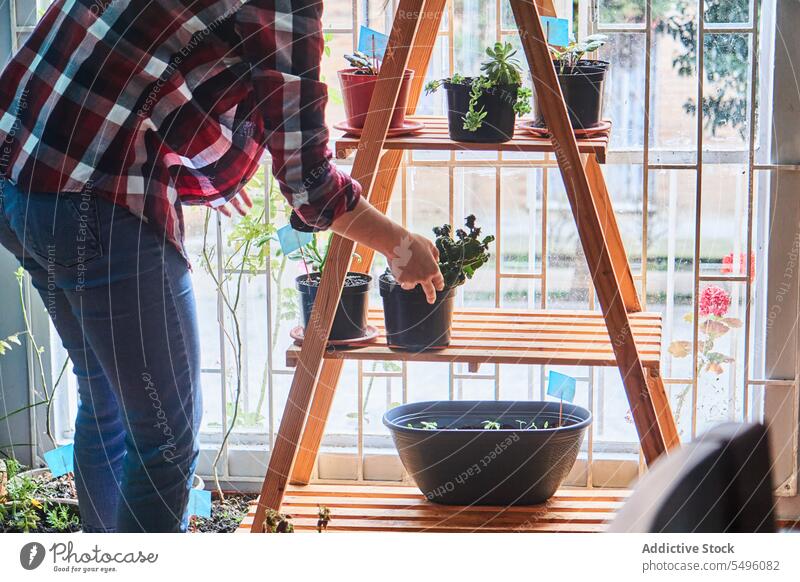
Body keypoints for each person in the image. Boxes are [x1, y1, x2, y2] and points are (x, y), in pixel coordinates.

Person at [0, 1, 443, 532]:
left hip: (19, 177)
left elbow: (147, 67)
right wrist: (399, 244)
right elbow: (310, 187)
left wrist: (200, 170)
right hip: (96, 205)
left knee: (107, 402)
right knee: (165, 440)